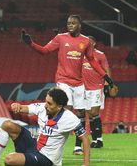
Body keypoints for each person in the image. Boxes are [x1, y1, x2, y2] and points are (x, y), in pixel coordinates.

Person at [21, 14, 115, 155]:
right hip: (63, 80)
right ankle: (50, 135)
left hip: (79, 83)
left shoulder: (86, 41)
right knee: (68, 109)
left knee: (82, 113)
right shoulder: (60, 38)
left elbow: (92, 60)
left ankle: (78, 146)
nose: (70, 25)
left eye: (73, 23)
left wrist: (105, 76)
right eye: (68, 23)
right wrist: (31, 43)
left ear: (79, 25)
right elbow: (44, 51)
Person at [0, 87, 90, 166]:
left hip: (47, 159)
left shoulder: (69, 118)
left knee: (9, 159)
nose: (45, 105)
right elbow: (24, 108)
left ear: (59, 107)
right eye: (46, 101)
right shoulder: (42, 107)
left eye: (49, 103)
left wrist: (86, 164)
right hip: (34, 146)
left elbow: (85, 138)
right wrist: (16, 105)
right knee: (7, 124)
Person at [82, 36, 111, 148]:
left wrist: (107, 84)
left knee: (94, 112)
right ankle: (96, 140)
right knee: (89, 114)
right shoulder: (81, 55)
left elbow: (107, 69)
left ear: (93, 43)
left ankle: (98, 139)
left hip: (97, 87)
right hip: (85, 88)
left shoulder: (100, 54)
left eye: (88, 41)